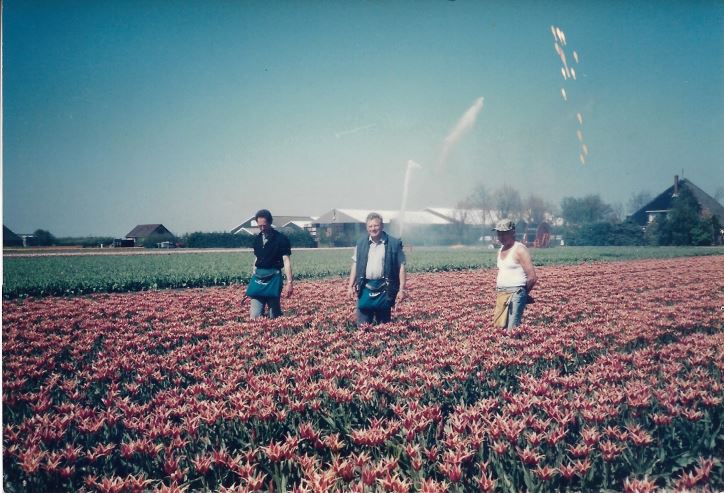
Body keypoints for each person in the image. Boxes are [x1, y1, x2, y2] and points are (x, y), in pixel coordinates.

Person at [347, 212, 406, 325]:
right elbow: (355, 264)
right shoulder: (361, 243)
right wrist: (350, 286)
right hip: (365, 287)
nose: (373, 229)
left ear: (382, 226)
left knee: (384, 325)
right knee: (363, 326)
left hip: (385, 289)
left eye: (376, 225)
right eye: (370, 226)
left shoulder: (394, 243)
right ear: (367, 228)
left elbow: (401, 267)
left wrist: (401, 289)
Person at [492, 219, 537, 328]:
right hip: (501, 293)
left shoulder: (520, 250)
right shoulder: (500, 250)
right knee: (500, 327)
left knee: (512, 328)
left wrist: (522, 294)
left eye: (504, 233)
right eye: (499, 234)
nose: (501, 237)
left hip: (516, 293)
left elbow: (532, 277)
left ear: (513, 232)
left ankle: (515, 339)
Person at [248, 209, 293, 319]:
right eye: (260, 226)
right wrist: (253, 274)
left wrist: (289, 282)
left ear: (270, 222)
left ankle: (277, 324)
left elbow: (286, 261)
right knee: (254, 316)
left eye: (264, 225)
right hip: (259, 278)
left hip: (274, 278)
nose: (262, 228)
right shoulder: (257, 240)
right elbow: (257, 258)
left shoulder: (281, 239)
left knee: (274, 314)